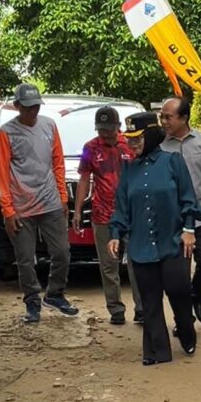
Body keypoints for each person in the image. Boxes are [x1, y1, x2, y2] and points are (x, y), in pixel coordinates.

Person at [108, 112, 201, 365]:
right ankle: (157, 351)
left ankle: (186, 329)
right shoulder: (129, 170)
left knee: (178, 290)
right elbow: (121, 208)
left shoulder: (173, 162)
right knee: (150, 299)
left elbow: (188, 199)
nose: (132, 143)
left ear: (150, 135)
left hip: (173, 241)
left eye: (137, 138)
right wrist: (116, 234)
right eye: (129, 139)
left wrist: (189, 229)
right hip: (141, 245)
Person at [0, 83, 79, 323]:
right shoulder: (6, 133)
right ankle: (32, 301)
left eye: (36, 107)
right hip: (21, 207)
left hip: (50, 202)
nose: (33, 111)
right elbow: (2, 174)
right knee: (25, 259)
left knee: (62, 252)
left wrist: (63, 197)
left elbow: (58, 163)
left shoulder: (49, 125)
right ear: (17, 106)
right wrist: (8, 210)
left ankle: (55, 294)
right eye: (28, 107)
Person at [73, 106, 143, 326]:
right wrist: (77, 210)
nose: (105, 133)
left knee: (136, 262)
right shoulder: (90, 148)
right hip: (103, 215)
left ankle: (142, 309)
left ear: (118, 127)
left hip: (132, 214)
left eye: (109, 129)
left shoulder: (130, 144)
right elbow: (84, 179)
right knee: (108, 265)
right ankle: (116, 309)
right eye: (101, 129)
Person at [160, 97, 201, 324]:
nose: (164, 121)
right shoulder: (159, 146)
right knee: (179, 275)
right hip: (173, 219)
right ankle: (184, 321)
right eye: (162, 117)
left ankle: (198, 297)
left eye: (168, 117)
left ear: (184, 118)